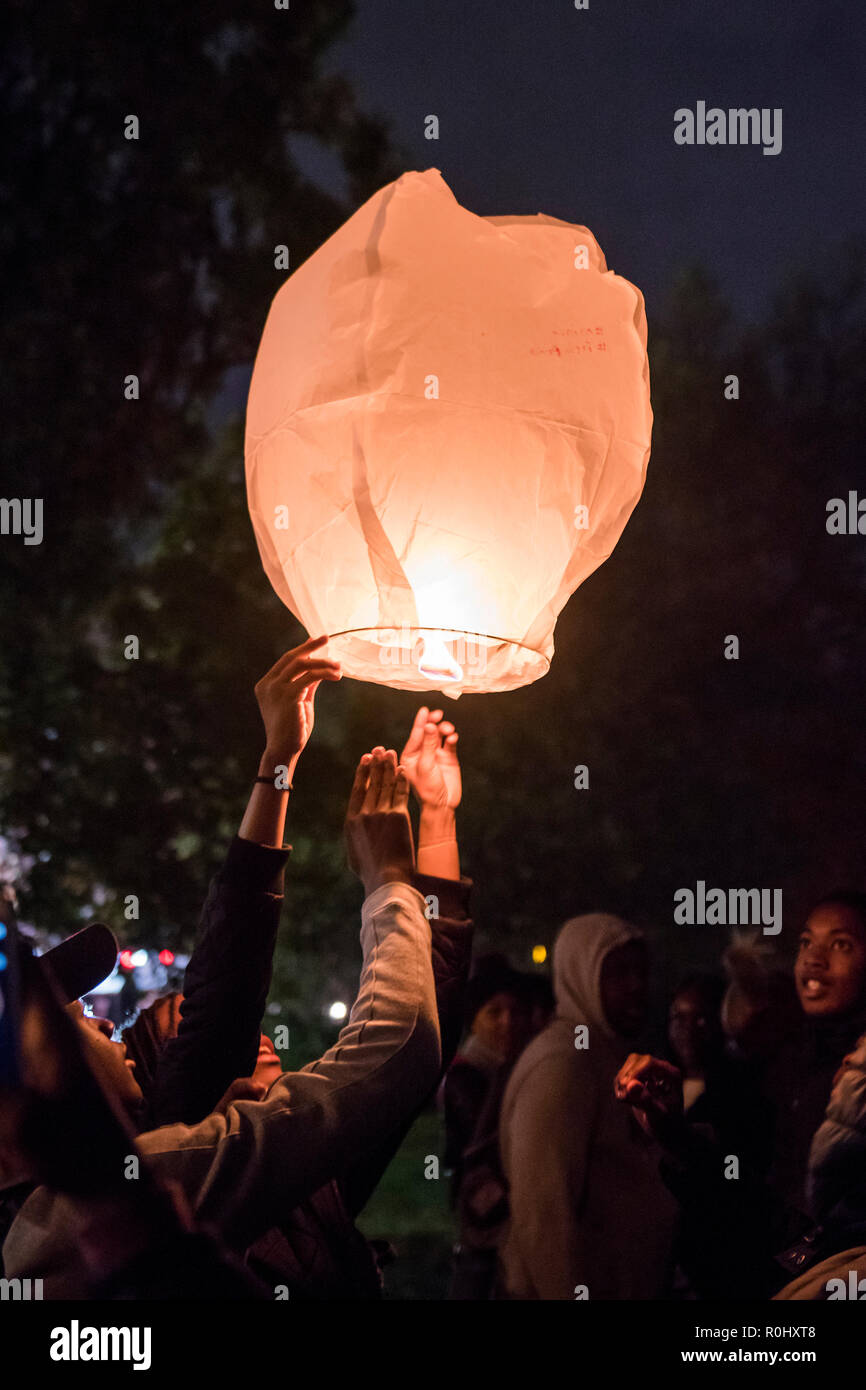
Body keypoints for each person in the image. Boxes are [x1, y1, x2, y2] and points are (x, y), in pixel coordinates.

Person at [2, 743, 443, 1297]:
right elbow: (396, 1051)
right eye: (76, 1017)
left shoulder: (60, 1231)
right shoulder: (99, 1202)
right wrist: (391, 882)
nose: (106, 1025)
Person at [614, 888, 866, 1299]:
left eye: (841, 944)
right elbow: (786, 1227)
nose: (814, 959)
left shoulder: (848, 1081)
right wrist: (676, 1133)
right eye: (806, 942)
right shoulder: (789, 1069)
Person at [497, 914, 678, 1300]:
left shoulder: (602, 1052)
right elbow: (544, 1213)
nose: (636, 987)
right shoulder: (564, 1062)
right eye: (617, 974)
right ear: (580, 976)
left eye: (641, 972)